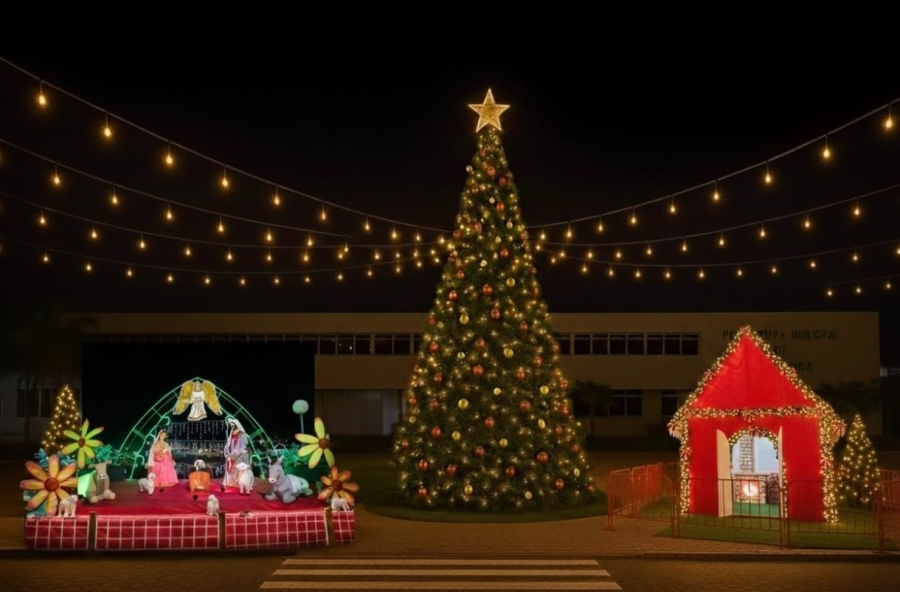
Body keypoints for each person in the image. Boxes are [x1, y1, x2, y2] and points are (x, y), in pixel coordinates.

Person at [222, 417, 249, 488]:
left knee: (238, 466)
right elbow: (229, 443)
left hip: (240, 453)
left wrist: (238, 453)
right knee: (229, 463)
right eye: (231, 425)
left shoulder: (241, 433)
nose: (232, 426)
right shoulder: (231, 432)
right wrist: (227, 450)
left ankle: (239, 482)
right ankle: (229, 481)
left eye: (233, 425)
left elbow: (243, 444)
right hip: (232, 452)